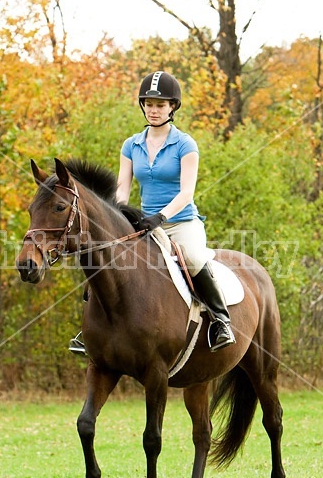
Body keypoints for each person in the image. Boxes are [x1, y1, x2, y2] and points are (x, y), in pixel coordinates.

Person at [69, 71, 235, 355]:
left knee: (194, 258)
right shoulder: (131, 145)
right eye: (148, 104)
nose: (153, 110)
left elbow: (187, 194)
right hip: (144, 223)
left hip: (181, 221)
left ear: (173, 107)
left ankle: (222, 320)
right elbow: (122, 190)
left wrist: (161, 217)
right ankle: (90, 331)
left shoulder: (185, 145)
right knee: (106, 258)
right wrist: (117, 217)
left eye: (160, 105)